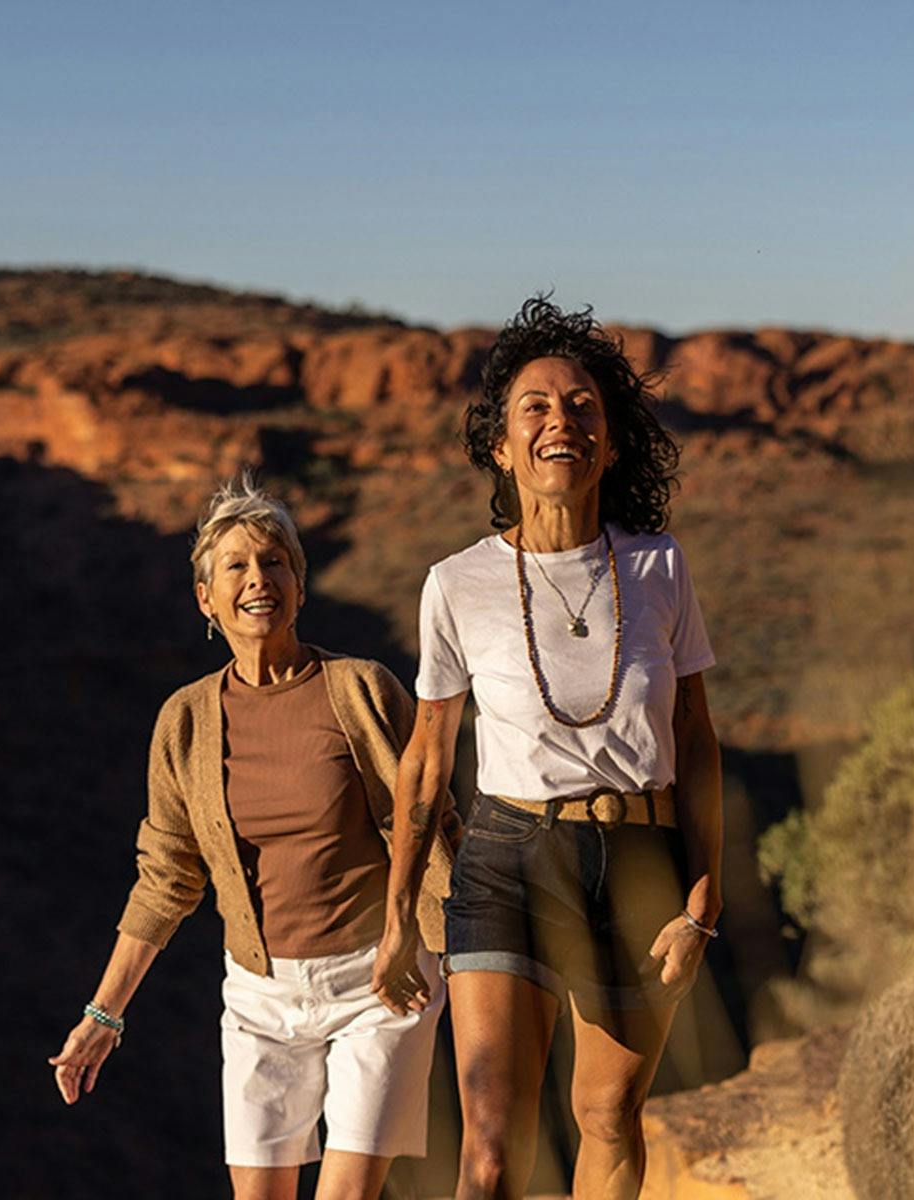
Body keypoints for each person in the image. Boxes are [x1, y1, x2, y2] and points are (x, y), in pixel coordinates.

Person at [371, 297, 724, 1200]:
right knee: (491, 1149)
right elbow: (425, 761)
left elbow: (695, 738)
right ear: (501, 444)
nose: (559, 421)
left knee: (607, 1117)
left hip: (641, 858)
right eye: (535, 406)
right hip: (506, 858)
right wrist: (396, 915)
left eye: (581, 407)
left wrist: (703, 897)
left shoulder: (659, 568)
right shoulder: (456, 585)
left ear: (607, 443)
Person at [50, 475, 459, 1200]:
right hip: (260, 999)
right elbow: (167, 877)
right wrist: (102, 1015)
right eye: (235, 566)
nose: (257, 579)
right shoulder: (185, 721)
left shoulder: (362, 689)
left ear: (300, 586)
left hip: (381, 983)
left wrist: (448, 952)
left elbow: (427, 825)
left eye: (275, 562)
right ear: (205, 599)